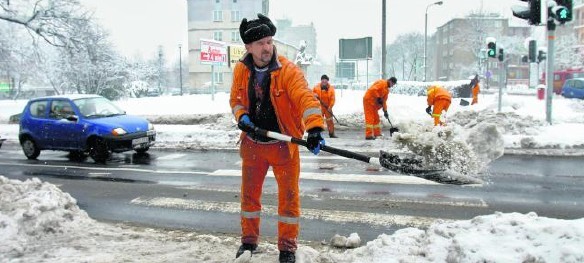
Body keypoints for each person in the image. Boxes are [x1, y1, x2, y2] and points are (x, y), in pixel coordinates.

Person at [229, 13, 325, 263]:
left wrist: (314, 127)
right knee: (249, 198)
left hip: (283, 145)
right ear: (248, 47)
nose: (267, 48)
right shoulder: (241, 69)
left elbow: (305, 97)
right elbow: (236, 101)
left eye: (270, 41)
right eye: (261, 43)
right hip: (253, 145)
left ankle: (287, 248)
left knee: (289, 199)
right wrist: (242, 118)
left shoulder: (287, 71)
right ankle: (248, 242)